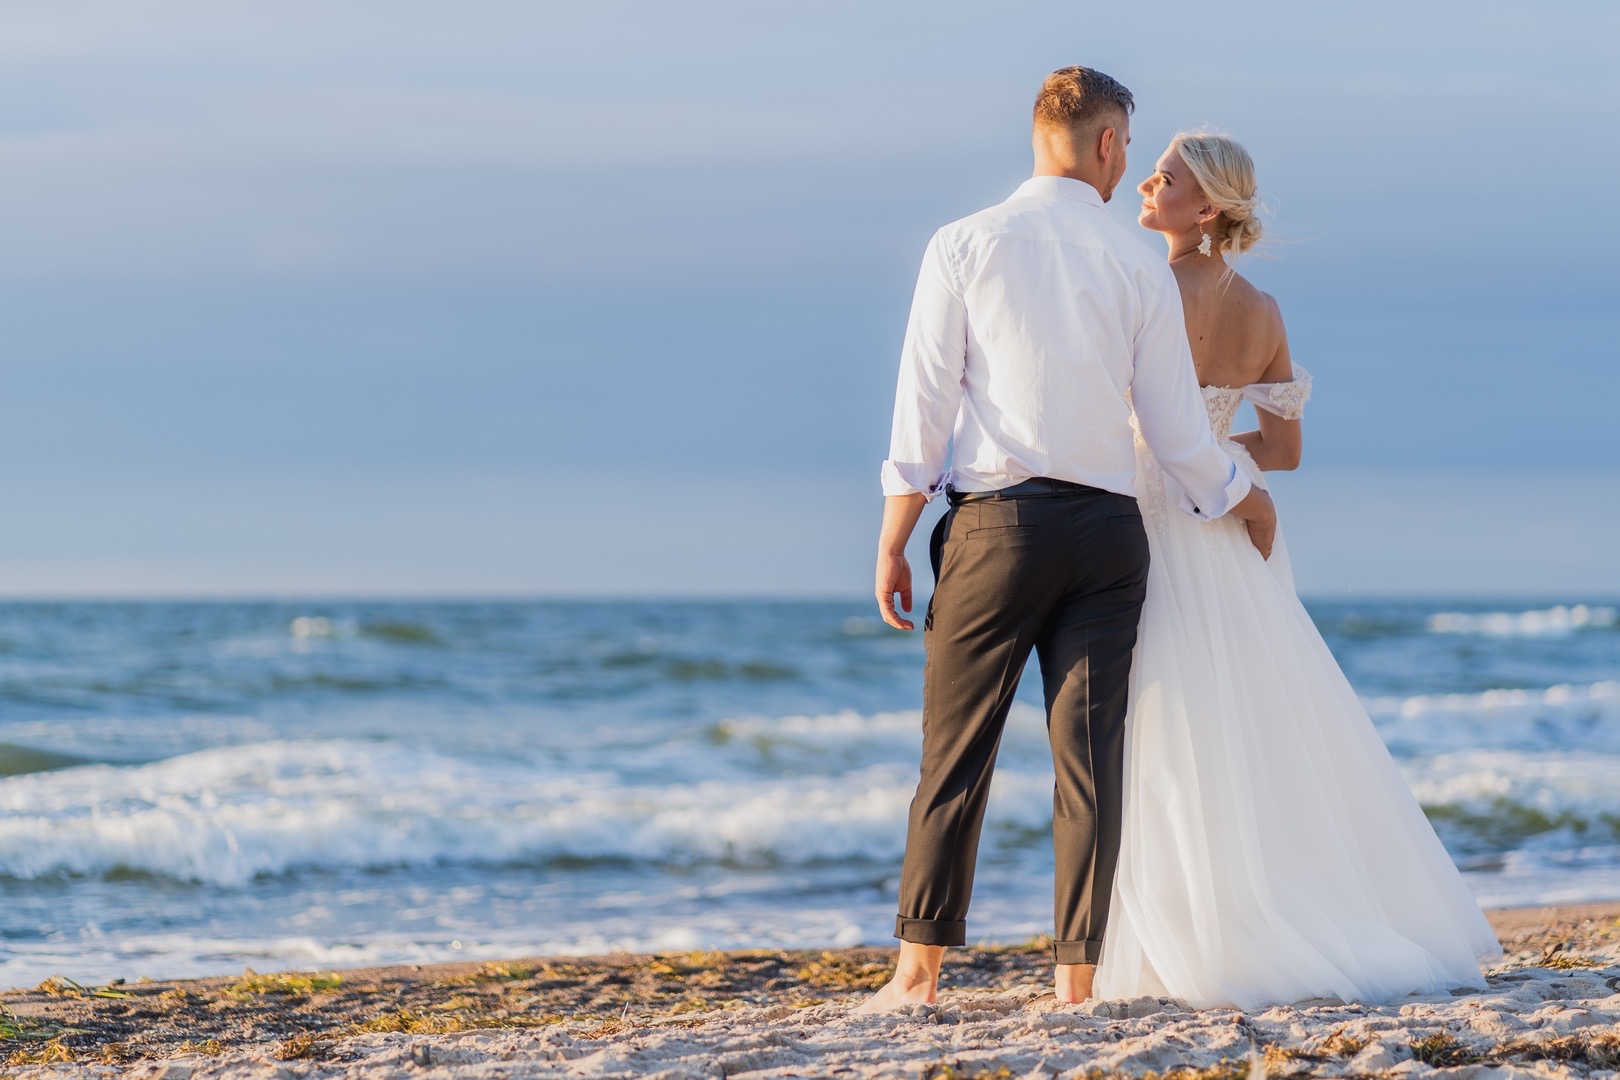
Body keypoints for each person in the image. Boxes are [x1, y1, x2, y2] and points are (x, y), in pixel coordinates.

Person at [858, 68, 1277, 1013]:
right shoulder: (1137, 263)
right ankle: (1074, 984)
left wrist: (895, 536)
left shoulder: (963, 242)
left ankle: (917, 977)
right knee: (1089, 763)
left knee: (955, 755)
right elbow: (1177, 434)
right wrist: (1242, 498)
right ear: (1107, 142)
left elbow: (923, 404)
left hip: (996, 527)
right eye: (1127, 147)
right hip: (1107, 536)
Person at [1092, 131, 1502, 1008]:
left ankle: (1191, 936)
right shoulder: (1264, 308)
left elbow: (1115, 417)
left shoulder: (1140, 287)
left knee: (1165, 727)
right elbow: (1283, 451)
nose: (1147, 183)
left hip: (1149, 523)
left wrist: (1163, 451)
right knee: (1253, 725)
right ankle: (1277, 905)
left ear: (1207, 207)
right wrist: (1209, 449)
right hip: (1229, 529)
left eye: (1166, 176)